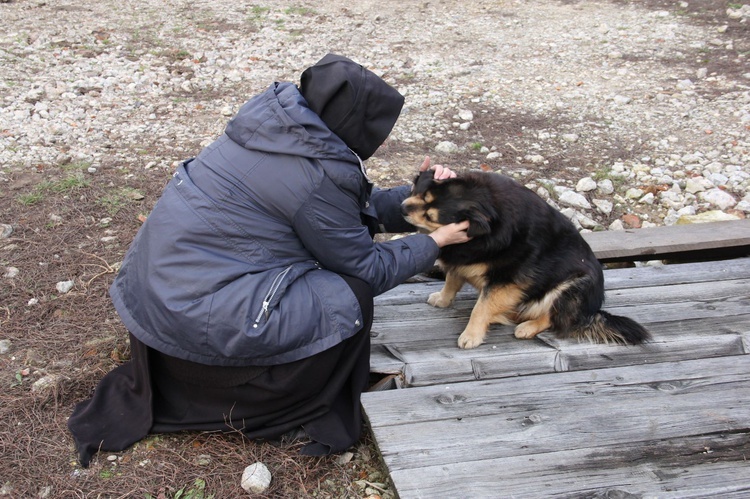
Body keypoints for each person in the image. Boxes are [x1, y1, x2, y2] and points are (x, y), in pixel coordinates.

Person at [67, 53, 471, 467]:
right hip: (195, 330)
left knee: (333, 273)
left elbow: (341, 214)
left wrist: (421, 197)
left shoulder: (276, 131)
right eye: (378, 129)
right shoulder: (315, 174)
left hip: (162, 311)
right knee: (349, 293)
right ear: (353, 122)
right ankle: (284, 398)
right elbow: (366, 266)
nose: (381, 140)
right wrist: (436, 240)